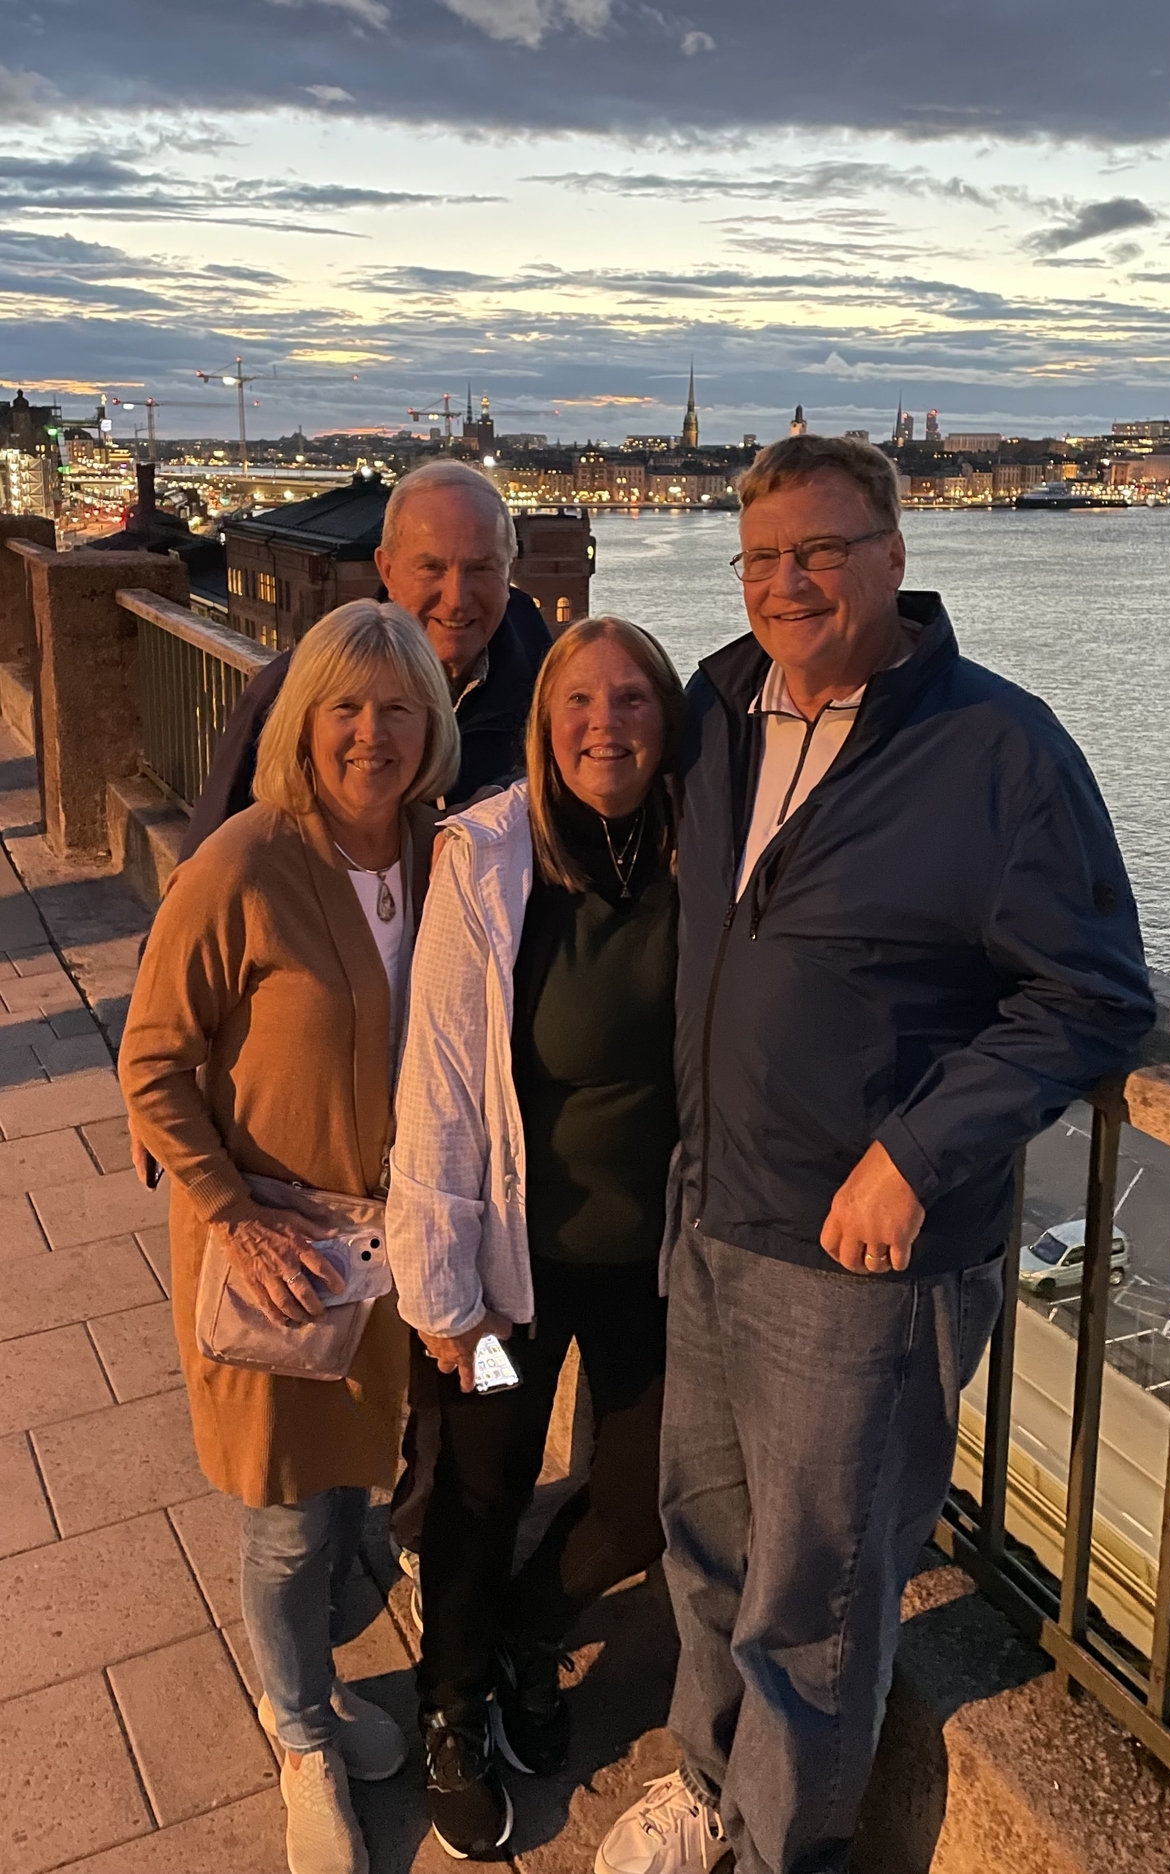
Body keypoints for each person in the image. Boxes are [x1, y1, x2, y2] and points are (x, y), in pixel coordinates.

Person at [595, 435, 1156, 1874]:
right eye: (761, 557)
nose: (788, 582)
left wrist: (915, 1151)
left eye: (821, 551)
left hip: (861, 1261)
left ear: (896, 559)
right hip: (715, 1208)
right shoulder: (721, 705)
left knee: (819, 1601)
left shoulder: (1000, 752)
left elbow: (1091, 995)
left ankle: (783, 1846)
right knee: (706, 1543)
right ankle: (707, 1788)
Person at [119, 601, 460, 1874]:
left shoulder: (442, 853)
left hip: (385, 1252)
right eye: (345, 708)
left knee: (355, 1484)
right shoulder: (245, 863)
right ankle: (303, 1734)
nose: (372, 733)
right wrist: (231, 1211)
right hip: (271, 1251)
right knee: (284, 1520)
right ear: (304, 724)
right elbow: (151, 1060)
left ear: (432, 725)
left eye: (398, 708)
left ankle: (309, 1686)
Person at [385, 616, 684, 1861]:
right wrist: (446, 1296)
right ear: (545, 723)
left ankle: (526, 1627)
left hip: (651, 1270)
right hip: (514, 1274)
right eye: (578, 700)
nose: (605, 723)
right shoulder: (492, 858)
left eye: (633, 698)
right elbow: (441, 1080)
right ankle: (451, 1708)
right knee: (483, 1475)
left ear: (669, 721)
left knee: (646, 1495)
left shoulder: (705, 850)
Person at [181, 458, 552, 856]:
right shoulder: (298, 688)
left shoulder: (545, 674)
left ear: (509, 569)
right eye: (431, 567)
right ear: (387, 571)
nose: (457, 598)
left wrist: (509, 799)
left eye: (481, 568)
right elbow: (207, 863)